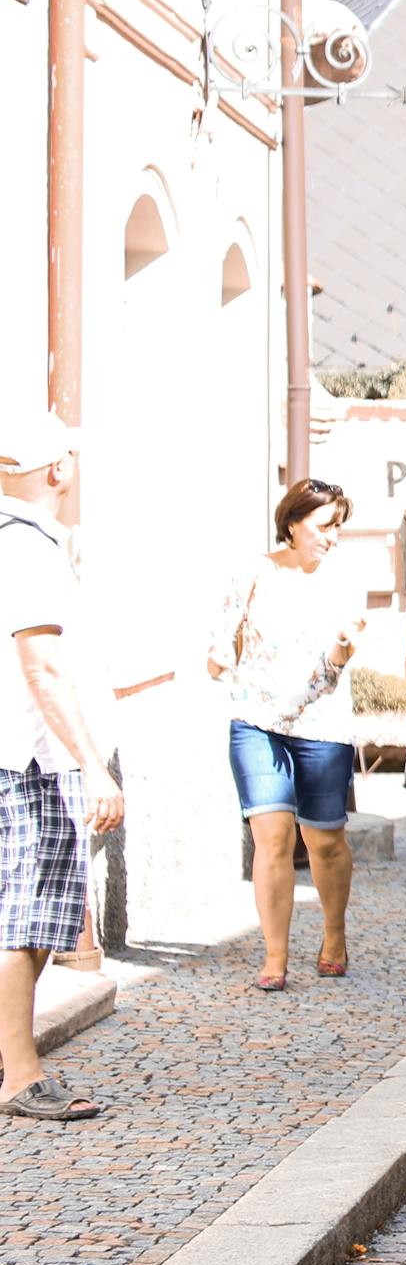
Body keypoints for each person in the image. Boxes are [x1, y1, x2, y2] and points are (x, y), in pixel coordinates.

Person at [0, 414, 125, 1122]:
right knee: (29, 919)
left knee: (29, 915)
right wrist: (94, 767)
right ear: (57, 469)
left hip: (15, 752)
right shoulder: (30, 549)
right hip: (29, 757)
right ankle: (20, 1075)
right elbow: (42, 667)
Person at [209, 478, 366, 991]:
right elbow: (222, 638)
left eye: (339, 526)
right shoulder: (254, 571)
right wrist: (219, 658)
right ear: (294, 523)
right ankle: (275, 956)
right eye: (325, 526)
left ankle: (335, 932)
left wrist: (344, 648)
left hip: (322, 723)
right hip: (257, 722)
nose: (333, 537)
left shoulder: (344, 581)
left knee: (323, 840)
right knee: (271, 838)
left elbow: (337, 663)